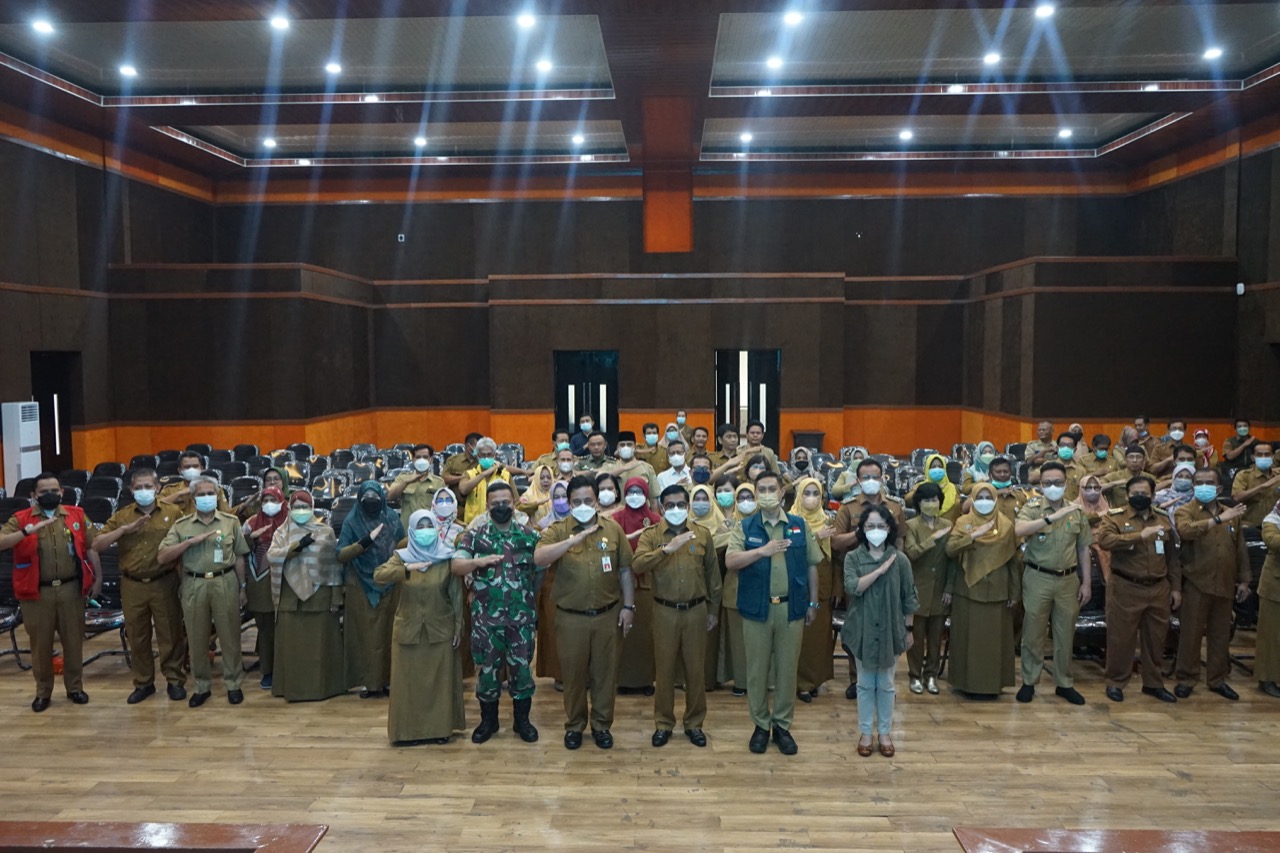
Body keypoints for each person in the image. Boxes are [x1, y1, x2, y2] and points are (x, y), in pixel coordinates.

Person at [534, 475, 636, 750]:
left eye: (588, 501)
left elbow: (625, 570)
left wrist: (629, 606)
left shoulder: (612, 529)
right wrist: (571, 541)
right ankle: (575, 726)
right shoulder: (558, 530)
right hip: (570, 617)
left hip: (607, 615)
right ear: (568, 503)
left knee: (605, 675)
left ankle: (602, 726)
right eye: (576, 501)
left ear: (597, 501)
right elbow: (539, 558)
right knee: (573, 676)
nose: (583, 506)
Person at [725, 471, 822, 756]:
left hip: (791, 609)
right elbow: (731, 561)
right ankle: (760, 725)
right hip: (757, 609)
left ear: (781, 493)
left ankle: (781, 726)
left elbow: (812, 565)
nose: (767, 494)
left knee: (787, 670)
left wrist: (813, 603)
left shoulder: (798, 525)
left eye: (772, 489)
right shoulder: (745, 526)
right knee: (756, 671)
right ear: (756, 494)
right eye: (762, 490)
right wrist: (761, 551)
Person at [0, 473, 102, 712]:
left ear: (62, 492)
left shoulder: (76, 515)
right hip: (37, 593)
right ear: (34, 495)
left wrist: (98, 578)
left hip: (70, 590)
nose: (50, 495)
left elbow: (91, 547)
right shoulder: (21, 518)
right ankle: (43, 692)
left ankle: (75, 688)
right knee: (41, 646)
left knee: (74, 642)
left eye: (54, 490)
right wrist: (26, 532)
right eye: (44, 491)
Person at [452, 481, 543, 744]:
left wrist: (528, 597)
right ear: (487, 506)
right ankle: (488, 722)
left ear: (514, 503)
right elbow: (456, 566)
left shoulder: (529, 536)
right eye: (495, 504)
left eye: (506, 502)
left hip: (521, 619)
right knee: (488, 672)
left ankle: (522, 721)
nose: (501, 507)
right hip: (486, 620)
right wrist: (477, 562)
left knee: (522, 671)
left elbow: (540, 572)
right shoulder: (474, 536)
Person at [633, 484, 722, 747]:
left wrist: (713, 610)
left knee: (696, 671)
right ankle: (663, 723)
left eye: (681, 505)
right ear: (661, 508)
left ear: (688, 506)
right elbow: (637, 564)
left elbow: (713, 576)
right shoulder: (652, 535)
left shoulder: (702, 534)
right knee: (664, 670)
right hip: (664, 611)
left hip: (696, 610)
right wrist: (666, 550)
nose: (675, 509)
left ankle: (694, 723)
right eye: (670, 505)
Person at [92, 468, 186, 704]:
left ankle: (175, 680)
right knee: (138, 635)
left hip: (164, 580)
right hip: (132, 584)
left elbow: (184, 544)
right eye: (138, 487)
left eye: (148, 487)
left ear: (157, 488)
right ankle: (143, 683)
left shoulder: (173, 512)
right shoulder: (122, 516)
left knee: (170, 633)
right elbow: (97, 544)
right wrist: (123, 531)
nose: (143, 491)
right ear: (131, 490)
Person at [157, 475, 250, 708]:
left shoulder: (230, 522)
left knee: (230, 636)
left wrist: (242, 587)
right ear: (193, 497)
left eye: (210, 493)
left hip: (224, 580)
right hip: (194, 583)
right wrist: (188, 543)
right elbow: (162, 556)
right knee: (196, 638)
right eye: (201, 494)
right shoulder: (182, 525)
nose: (206, 497)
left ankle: (233, 684)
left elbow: (240, 556)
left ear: (217, 495)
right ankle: (201, 686)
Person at [374, 509, 465, 745]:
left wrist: (458, 626)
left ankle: (440, 729)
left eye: (429, 526)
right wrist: (406, 569)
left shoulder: (447, 556)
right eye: (420, 527)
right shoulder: (402, 556)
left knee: (439, 684)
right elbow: (379, 575)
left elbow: (456, 595)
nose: (426, 531)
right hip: (408, 629)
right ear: (412, 531)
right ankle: (407, 733)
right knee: (407, 684)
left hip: (440, 628)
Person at [1013, 462, 1093, 706]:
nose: (1053, 486)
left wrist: (1086, 583)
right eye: (1047, 483)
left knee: (1065, 633)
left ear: (1066, 483)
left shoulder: (1076, 511)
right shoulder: (1032, 507)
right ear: (1040, 485)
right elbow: (1019, 530)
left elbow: (1084, 548)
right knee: (1033, 632)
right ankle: (1029, 681)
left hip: (1068, 580)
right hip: (1038, 577)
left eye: (1058, 482)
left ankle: (1064, 683)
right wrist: (1049, 518)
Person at [842, 504, 918, 758]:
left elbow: (909, 598)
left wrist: (909, 628)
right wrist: (879, 571)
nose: (876, 530)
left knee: (886, 684)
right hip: (861, 628)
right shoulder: (853, 558)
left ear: (890, 528)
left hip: (891, 629)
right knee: (864, 684)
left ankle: (885, 733)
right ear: (862, 529)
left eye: (881, 526)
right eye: (870, 526)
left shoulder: (901, 560)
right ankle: (865, 733)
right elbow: (853, 587)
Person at [1096, 476, 1179, 703]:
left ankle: (1153, 683)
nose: (1139, 497)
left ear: (1153, 495)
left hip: (1158, 587)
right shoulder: (1115, 517)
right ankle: (1115, 682)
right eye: (1135, 494)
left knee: (1156, 639)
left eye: (1144, 494)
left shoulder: (1162, 518)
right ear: (1127, 495)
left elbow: (1172, 558)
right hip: (1126, 586)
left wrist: (1175, 588)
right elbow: (1105, 541)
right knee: (1121, 639)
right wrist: (1138, 536)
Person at [1172, 470, 1251, 700]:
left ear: (1219, 489)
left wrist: (1245, 580)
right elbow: (1185, 531)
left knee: (1220, 635)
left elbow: (1240, 548)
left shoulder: (1232, 514)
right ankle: (1186, 679)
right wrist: (1217, 520)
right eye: (1199, 483)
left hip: (1225, 581)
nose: (1203, 486)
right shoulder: (1185, 510)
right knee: (1191, 635)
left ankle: (1217, 680)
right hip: (1196, 582)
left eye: (1209, 483)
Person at [266, 489, 346, 702]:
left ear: (312, 508)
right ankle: (293, 689)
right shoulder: (281, 533)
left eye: (305, 507)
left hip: (320, 598)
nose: (300, 511)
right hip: (289, 599)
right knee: (292, 648)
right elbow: (272, 556)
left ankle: (323, 689)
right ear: (289, 508)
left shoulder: (325, 532)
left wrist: (336, 597)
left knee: (320, 647)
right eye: (296, 507)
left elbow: (334, 568)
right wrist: (298, 545)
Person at [944, 482, 1019, 698]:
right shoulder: (963, 522)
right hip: (967, 589)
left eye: (988, 498)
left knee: (993, 642)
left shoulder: (1006, 525)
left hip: (997, 590)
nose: (984, 502)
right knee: (967, 640)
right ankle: (965, 683)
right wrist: (973, 535)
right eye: (980, 498)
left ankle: (992, 686)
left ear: (995, 500)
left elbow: (1013, 561)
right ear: (973, 500)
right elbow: (950, 551)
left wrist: (1014, 592)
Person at [337, 480, 405, 699]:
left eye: (375, 498)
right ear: (360, 499)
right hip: (360, 583)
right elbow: (341, 554)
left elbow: (402, 544)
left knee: (388, 633)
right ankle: (369, 682)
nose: (371, 502)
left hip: (390, 582)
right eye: (367, 498)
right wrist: (365, 542)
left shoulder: (391, 518)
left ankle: (388, 680)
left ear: (382, 499)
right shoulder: (352, 521)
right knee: (365, 635)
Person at [902, 482, 952, 696]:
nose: (931, 503)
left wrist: (949, 587)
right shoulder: (911, 525)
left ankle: (931, 675)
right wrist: (932, 539)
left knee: (936, 637)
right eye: (926, 500)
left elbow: (952, 560)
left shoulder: (948, 524)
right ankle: (914, 675)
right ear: (918, 503)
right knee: (916, 636)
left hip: (940, 588)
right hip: (918, 588)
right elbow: (911, 553)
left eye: (934, 500)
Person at [790, 476, 836, 702]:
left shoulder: (827, 519)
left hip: (823, 585)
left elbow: (834, 555)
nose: (811, 498)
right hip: (798, 585)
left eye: (815, 493)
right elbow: (790, 550)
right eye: (806, 493)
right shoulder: (790, 520)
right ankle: (800, 684)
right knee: (802, 639)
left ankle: (815, 680)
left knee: (819, 638)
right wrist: (815, 537)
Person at [614, 477, 660, 695]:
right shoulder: (616, 519)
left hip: (649, 584)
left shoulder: (655, 520)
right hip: (622, 584)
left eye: (639, 492)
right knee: (623, 634)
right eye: (630, 492)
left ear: (646, 494)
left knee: (646, 634)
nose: (634, 496)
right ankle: (622, 680)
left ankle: (646, 680)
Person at [241, 484, 288, 690]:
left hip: (285, 580)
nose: (269, 504)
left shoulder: (289, 521)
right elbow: (238, 550)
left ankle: (286, 668)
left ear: (282, 501)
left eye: (273, 500)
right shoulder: (251, 523)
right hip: (259, 581)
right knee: (265, 630)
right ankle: (267, 671)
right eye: (265, 501)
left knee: (285, 628)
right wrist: (251, 538)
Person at [689, 481, 730, 693]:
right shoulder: (682, 526)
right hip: (688, 590)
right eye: (696, 499)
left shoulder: (725, 527)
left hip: (715, 589)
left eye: (705, 499)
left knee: (710, 637)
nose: (701, 503)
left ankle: (708, 678)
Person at [721, 481, 756, 696]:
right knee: (738, 641)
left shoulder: (764, 523)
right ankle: (741, 681)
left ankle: (760, 682)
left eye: (750, 497)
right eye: (741, 498)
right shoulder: (727, 523)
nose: (745, 502)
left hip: (761, 588)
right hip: (734, 587)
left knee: (759, 641)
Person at [387, 444, 446, 531]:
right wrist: (407, 482)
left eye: (425, 457)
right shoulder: (403, 478)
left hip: (429, 530)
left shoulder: (439, 482)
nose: (421, 460)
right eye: (418, 457)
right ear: (413, 459)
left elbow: (444, 508)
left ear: (431, 460)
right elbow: (390, 496)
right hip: (407, 529)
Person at [458, 437, 514, 524]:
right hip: (474, 524)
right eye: (483, 455)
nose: (486, 458)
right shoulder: (469, 474)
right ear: (478, 456)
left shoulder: (505, 475)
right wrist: (483, 474)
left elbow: (516, 501)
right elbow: (463, 490)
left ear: (494, 455)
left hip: (499, 523)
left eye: (489, 455)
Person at [1257, 498, 1280, 698]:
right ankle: (1267, 679)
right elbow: (1272, 541)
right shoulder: (1271, 520)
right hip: (1275, 587)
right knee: (1271, 637)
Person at [160, 451, 229, 515]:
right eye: (187, 467)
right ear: (180, 470)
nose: (191, 469)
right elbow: (158, 507)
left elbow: (226, 514)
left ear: (201, 468)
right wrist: (179, 494)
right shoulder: (169, 490)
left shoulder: (214, 489)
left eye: (195, 466)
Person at [1231, 441, 1280, 527]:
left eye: (1267, 454)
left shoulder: (1278, 476)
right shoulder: (1244, 475)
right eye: (1259, 455)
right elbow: (1236, 497)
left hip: (1275, 526)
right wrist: (1263, 486)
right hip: (1250, 525)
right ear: (1253, 457)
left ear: (1272, 456)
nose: (1263, 457)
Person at [605, 431, 659, 498]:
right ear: (617, 448)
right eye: (622, 445)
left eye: (629, 444)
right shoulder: (609, 466)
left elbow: (653, 497)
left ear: (635, 447)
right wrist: (623, 468)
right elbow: (600, 478)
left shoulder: (647, 468)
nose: (626, 447)